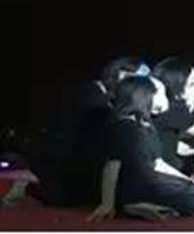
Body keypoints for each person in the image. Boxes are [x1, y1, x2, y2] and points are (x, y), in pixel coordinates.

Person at [88, 76, 194, 221]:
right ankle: (134, 204)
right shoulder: (124, 126)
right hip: (138, 185)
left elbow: (158, 163)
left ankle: (146, 205)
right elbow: (112, 165)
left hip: (156, 180)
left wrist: (190, 182)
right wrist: (107, 203)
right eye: (158, 93)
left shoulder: (147, 126)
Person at [25, 56, 145, 206]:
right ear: (119, 75)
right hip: (60, 156)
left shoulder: (101, 96)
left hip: (73, 153)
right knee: (71, 199)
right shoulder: (92, 97)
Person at [152, 57, 194, 172]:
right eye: (192, 84)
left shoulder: (158, 106)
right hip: (162, 173)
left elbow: (173, 144)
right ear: (176, 84)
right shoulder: (173, 107)